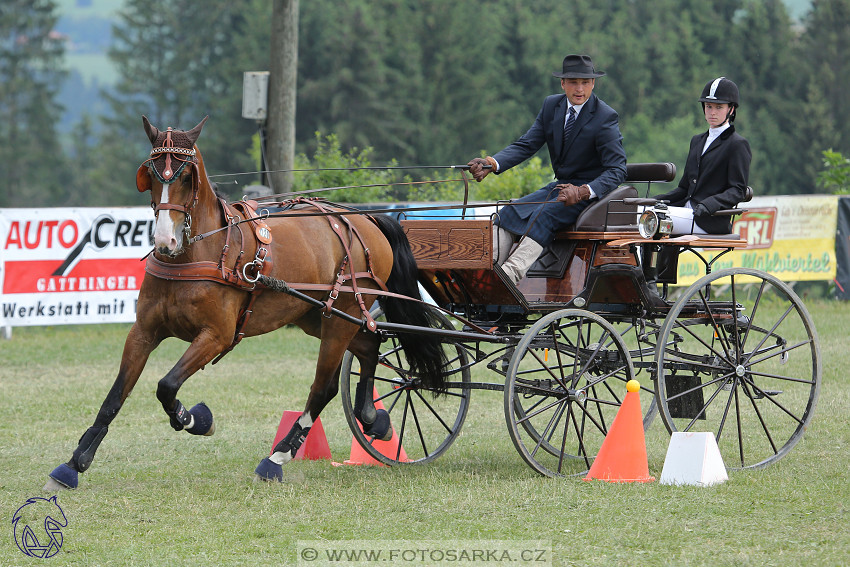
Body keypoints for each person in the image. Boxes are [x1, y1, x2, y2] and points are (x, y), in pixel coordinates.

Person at [467, 54, 627, 284]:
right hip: (560, 188)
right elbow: (527, 144)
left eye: (585, 82)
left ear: (593, 83)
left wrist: (583, 191)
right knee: (509, 212)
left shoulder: (605, 117)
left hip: (591, 194)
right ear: (563, 83)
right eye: (573, 82)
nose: (579, 89)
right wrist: (492, 164)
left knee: (545, 216)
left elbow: (617, 169)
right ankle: (485, 272)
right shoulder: (552, 106)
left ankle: (508, 278)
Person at [647, 76, 751, 284]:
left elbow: (738, 189)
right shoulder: (697, 141)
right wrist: (658, 200)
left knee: (653, 219)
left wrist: (708, 204)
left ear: (731, 110)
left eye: (718, 107)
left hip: (708, 218)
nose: (712, 112)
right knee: (643, 212)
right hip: (686, 212)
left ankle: (650, 281)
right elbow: (685, 188)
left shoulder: (737, 145)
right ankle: (646, 277)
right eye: (708, 106)